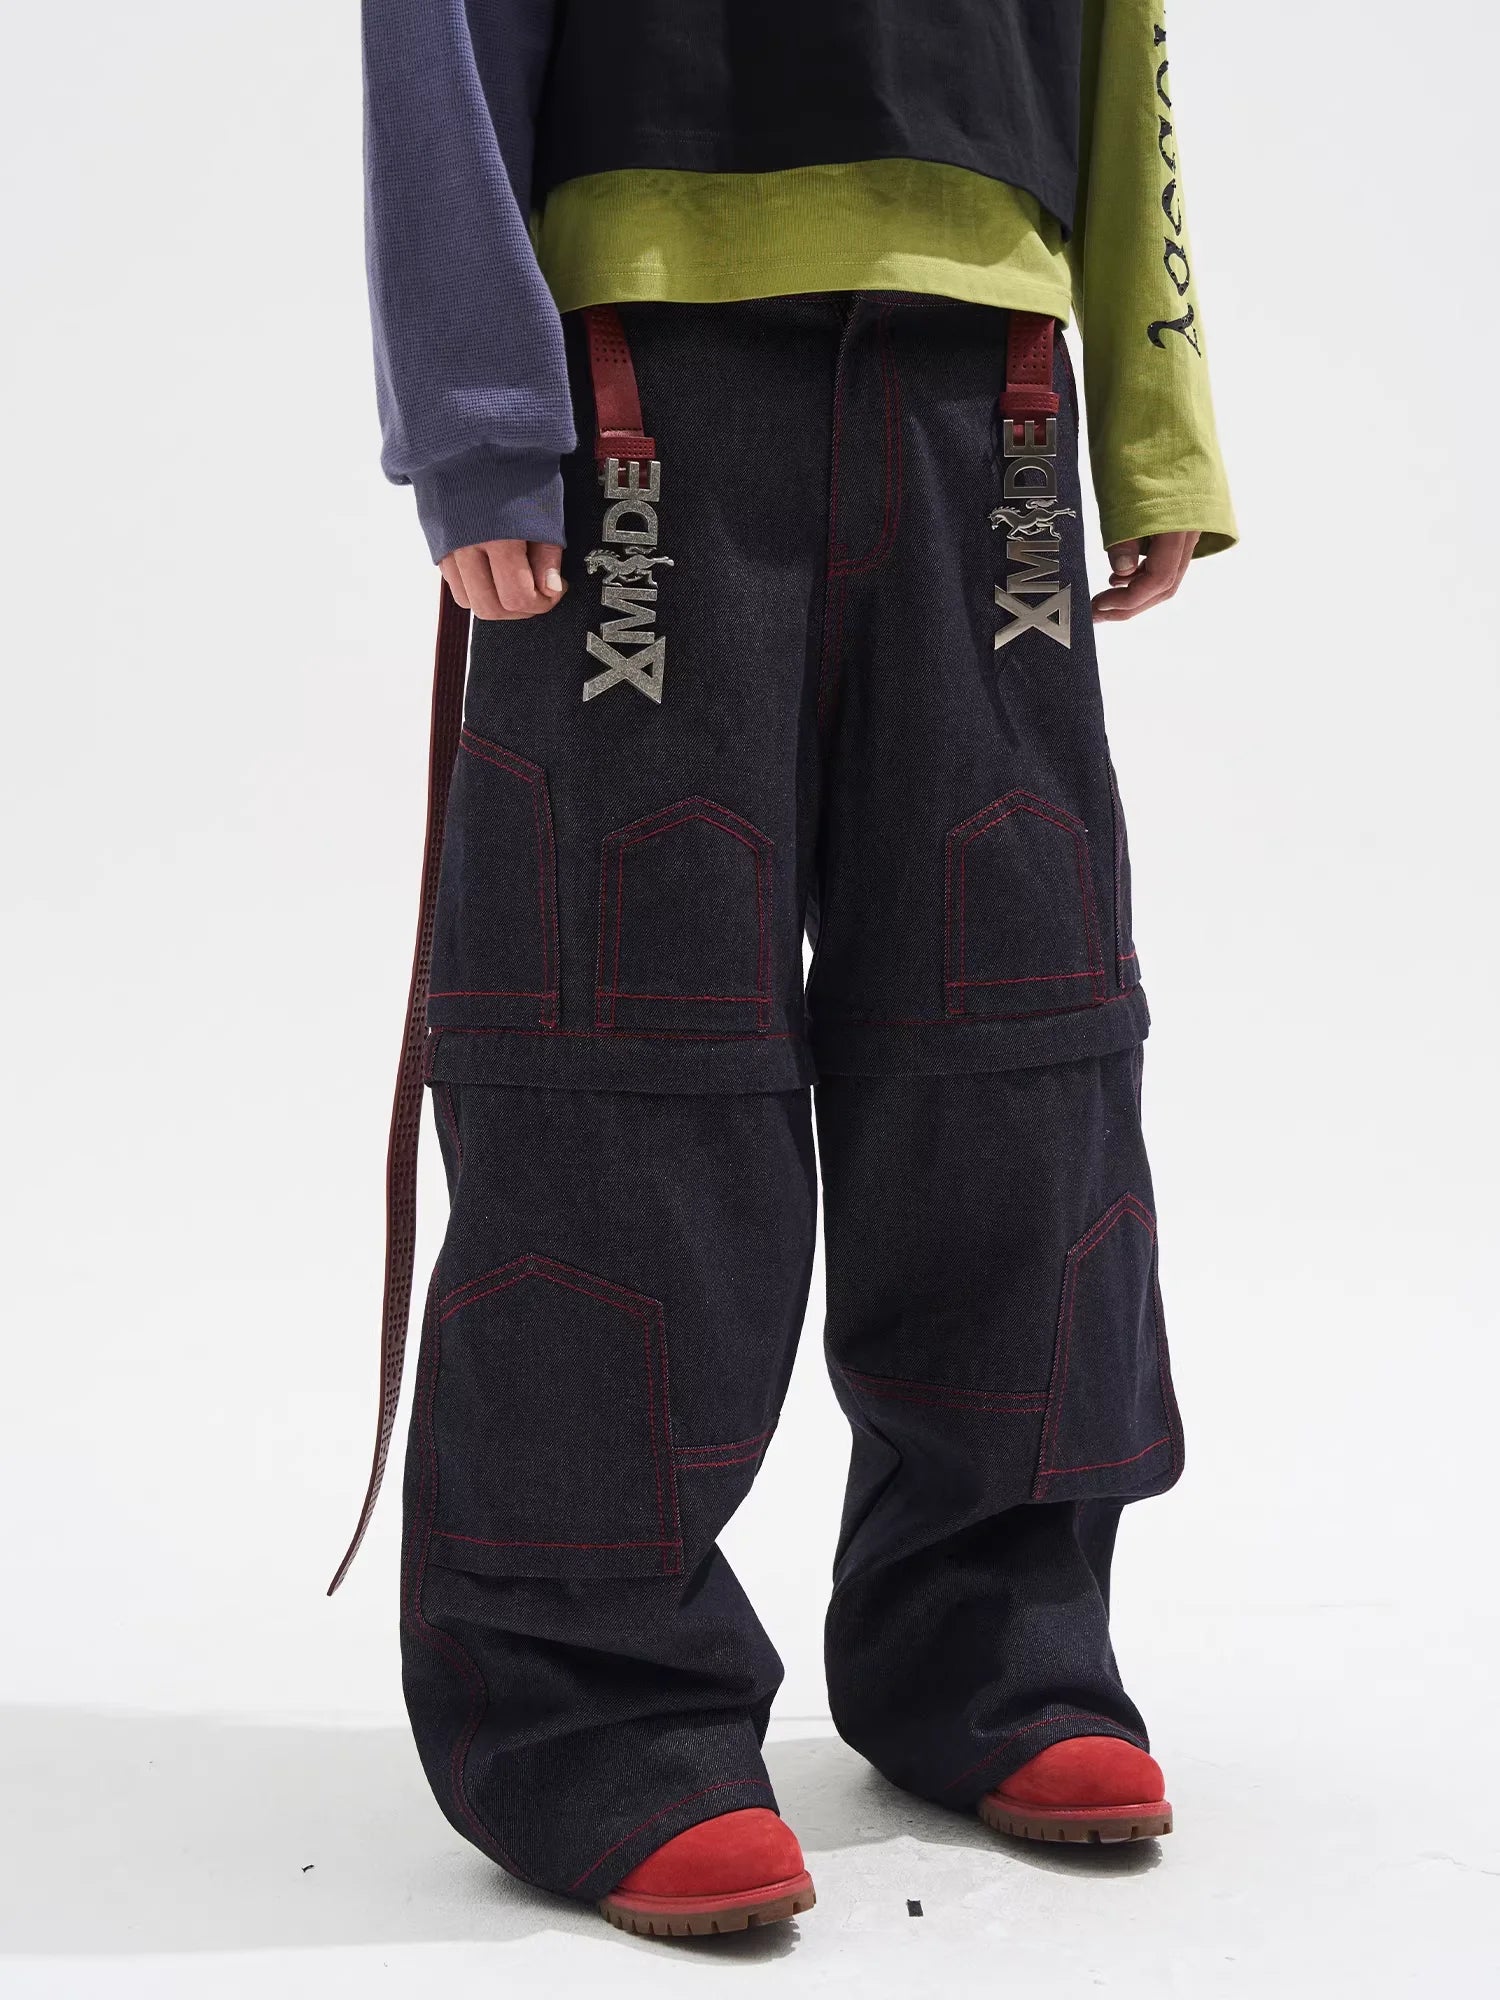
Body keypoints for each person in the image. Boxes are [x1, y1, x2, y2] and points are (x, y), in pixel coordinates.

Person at [338, 0, 1236, 1940]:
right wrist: (480, 411)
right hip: (644, 373)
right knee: (628, 1025)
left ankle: (994, 1636)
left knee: (1014, 1016)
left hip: (989, 376)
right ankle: (589, 1697)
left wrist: (1155, 400)